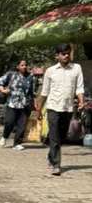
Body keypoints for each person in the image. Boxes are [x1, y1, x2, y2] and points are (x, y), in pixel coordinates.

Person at [36, 43, 85, 176]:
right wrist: (39, 109)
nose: (66, 55)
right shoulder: (50, 71)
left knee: (62, 136)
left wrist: (81, 101)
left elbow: (79, 88)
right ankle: (56, 165)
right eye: (63, 53)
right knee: (54, 136)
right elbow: (44, 92)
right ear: (57, 56)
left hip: (68, 108)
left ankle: (51, 156)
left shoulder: (76, 68)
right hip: (52, 107)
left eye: (68, 53)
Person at [0, 59, 35, 150]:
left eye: (25, 65)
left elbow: (31, 92)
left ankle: (17, 143)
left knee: (22, 124)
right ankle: (5, 136)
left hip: (25, 104)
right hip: (12, 103)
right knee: (10, 122)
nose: (24, 67)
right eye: (22, 65)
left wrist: (33, 104)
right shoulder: (11, 74)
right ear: (17, 67)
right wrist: (3, 90)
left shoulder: (30, 77)